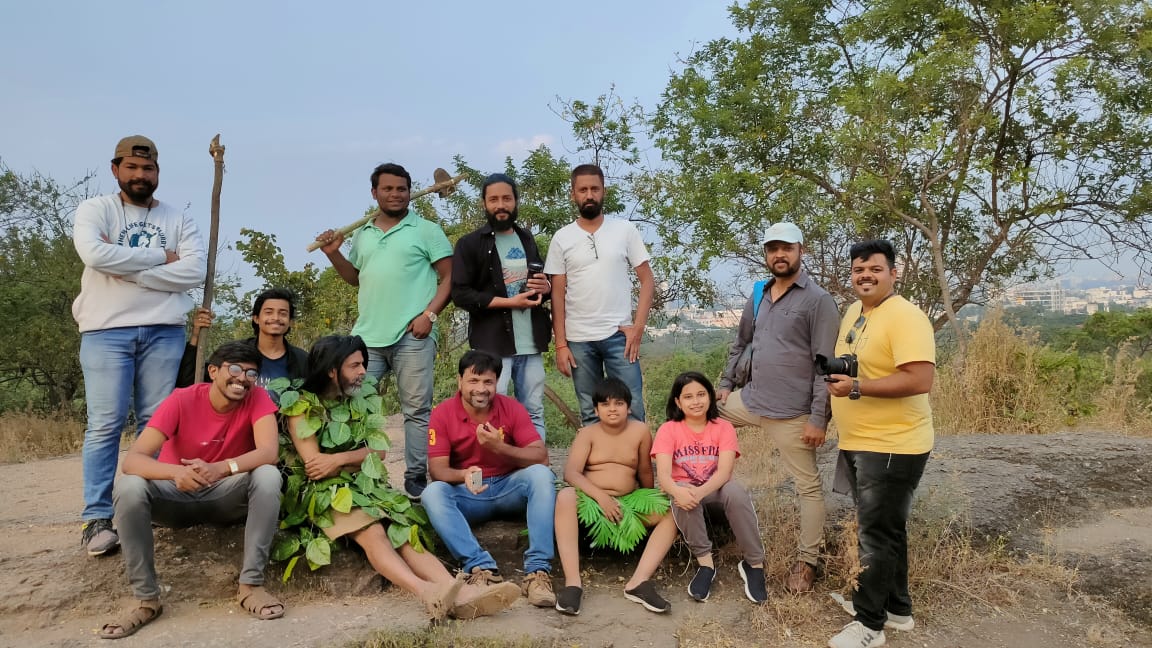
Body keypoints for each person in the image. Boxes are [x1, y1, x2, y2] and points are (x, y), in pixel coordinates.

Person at [281, 336, 520, 620]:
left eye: (363, 364)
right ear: (332, 370)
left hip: (367, 486)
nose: (363, 372)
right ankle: (427, 593)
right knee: (373, 531)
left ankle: (457, 591)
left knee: (405, 531)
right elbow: (316, 468)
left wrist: (338, 459)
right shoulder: (301, 406)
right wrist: (354, 460)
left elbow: (379, 452)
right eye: (355, 366)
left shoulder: (361, 401)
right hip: (324, 492)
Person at [72, 135, 207, 556]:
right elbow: (95, 255)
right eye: (131, 167)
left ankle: (153, 503)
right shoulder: (96, 209)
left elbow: (195, 271)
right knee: (106, 424)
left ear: (157, 172)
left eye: (148, 169)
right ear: (116, 169)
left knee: (157, 421)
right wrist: (162, 258)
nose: (140, 175)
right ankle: (97, 518)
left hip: (164, 329)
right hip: (105, 330)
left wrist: (128, 270)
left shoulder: (177, 217)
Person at [100, 341, 283, 639]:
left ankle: (251, 586)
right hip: (174, 496)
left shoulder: (257, 397)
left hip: (225, 495)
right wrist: (177, 472)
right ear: (213, 371)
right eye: (235, 369)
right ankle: (146, 600)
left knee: (268, 475)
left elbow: (268, 452)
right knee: (129, 486)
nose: (242, 379)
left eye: (251, 373)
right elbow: (133, 460)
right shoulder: (181, 399)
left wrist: (221, 468)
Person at [316, 163, 453, 501]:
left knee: (416, 410)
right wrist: (333, 254)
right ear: (374, 192)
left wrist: (429, 315)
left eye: (401, 189)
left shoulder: (427, 230)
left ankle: (415, 478)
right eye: (388, 189)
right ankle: (359, 474)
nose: (395, 194)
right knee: (353, 404)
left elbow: (451, 277)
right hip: (367, 339)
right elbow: (355, 278)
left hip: (413, 335)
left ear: (409, 191)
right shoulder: (362, 233)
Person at [717, 222, 840, 593]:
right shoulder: (760, 294)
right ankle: (694, 509)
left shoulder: (818, 301)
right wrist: (725, 386)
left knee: (808, 488)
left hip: (793, 414)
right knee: (693, 417)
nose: (779, 255)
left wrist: (818, 418)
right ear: (766, 254)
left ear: (801, 250)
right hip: (750, 400)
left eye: (786, 248)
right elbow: (741, 343)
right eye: (773, 249)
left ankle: (807, 562)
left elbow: (826, 366)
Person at [824, 239, 935, 648]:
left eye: (875, 269)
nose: (865, 276)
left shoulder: (906, 316)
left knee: (874, 535)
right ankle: (897, 610)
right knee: (887, 529)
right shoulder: (856, 311)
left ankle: (870, 625)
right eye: (859, 270)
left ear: (893, 273)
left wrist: (857, 387)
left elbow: (920, 379)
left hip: (893, 445)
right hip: (861, 441)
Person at [421, 350, 557, 608]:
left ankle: (537, 573)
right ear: (459, 381)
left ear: (496, 383)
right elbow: (437, 470)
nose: (481, 389)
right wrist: (463, 474)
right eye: (473, 381)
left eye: (488, 382)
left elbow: (541, 457)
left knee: (542, 475)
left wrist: (500, 447)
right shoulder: (443, 413)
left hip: (509, 488)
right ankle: (482, 569)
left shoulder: (511, 408)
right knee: (432, 493)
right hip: (469, 494)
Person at [554, 378, 678, 616]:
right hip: (591, 501)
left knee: (672, 511)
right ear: (596, 410)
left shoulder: (640, 431)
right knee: (566, 496)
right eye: (605, 404)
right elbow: (571, 473)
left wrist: (648, 500)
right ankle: (572, 584)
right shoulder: (588, 434)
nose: (612, 409)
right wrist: (602, 498)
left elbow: (644, 471)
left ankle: (639, 582)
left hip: (628, 502)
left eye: (619, 403)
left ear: (628, 407)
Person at [544, 163, 654, 426]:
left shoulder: (624, 230)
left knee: (633, 407)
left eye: (595, 189)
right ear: (573, 194)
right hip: (578, 339)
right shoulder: (562, 238)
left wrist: (638, 328)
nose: (589, 195)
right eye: (583, 190)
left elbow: (647, 280)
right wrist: (561, 345)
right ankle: (598, 455)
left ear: (604, 191)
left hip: (620, 336)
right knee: (591, 412)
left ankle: (637, 455)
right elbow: (557, 295)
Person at [451, 173, 552, 441]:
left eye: (506, 198)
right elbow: (460, 294)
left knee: (533, 411)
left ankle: (535, 462)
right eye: (493, 199)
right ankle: (497, 462)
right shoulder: (470, 244)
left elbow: (540, 286)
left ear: (516, 201)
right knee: (492, 410)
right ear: (484, 203)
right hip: (493, 346)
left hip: (530, 343)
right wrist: (509, 302)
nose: (500, 205)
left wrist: (545, 287)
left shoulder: (526, 238)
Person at [652, 372, 768, 605]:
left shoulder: (723, 427)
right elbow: (664, 476)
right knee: (681, 493)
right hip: (685, 492)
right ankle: (706, 565)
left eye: (701, 394)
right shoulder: (668, 429)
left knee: (735, 492)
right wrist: (679, 491)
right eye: (688, 397)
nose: (696, 401)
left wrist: (697, 493)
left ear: (710, 397)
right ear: (678, 402)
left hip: (715, 490)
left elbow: (724, 473)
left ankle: (754, 564)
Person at [176, 287, 309, 389]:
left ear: (290, 322)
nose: (276, 318)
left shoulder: (302, 360)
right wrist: (196, 335)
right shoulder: (234, 354)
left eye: (283, 313)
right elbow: (189, 382)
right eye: (269, 312)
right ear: (256, 318)